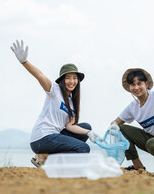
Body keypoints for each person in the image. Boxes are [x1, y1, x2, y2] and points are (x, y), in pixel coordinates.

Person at [10, 40, 100, 168]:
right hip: (42, 138)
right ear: (62, 80)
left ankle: (45, 157)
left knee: (86, 126)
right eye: (68, 78)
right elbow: (39, 75)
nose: (72, 81)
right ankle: (52, 161)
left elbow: (69, 126)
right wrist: (24, 62)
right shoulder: (54, 90)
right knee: (83, 149)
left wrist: (88, 133)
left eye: (75, 78)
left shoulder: (72, 103)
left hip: (54, 137)